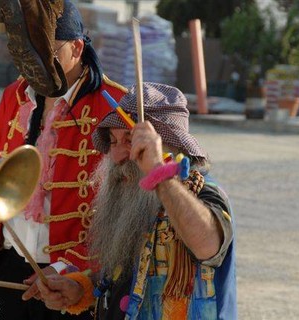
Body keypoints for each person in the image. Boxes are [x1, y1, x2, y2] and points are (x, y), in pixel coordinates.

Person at [37, 82, 237, 319]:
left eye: (130, 140)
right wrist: (82, 289)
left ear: (167, 146)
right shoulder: (133, 200)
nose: (118, 155)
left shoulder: (203, 193)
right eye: (113, 141)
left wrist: (158, 172)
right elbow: (127, 277)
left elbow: (208, 245)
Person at [0, 1, 127, 319]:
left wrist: (76, 272)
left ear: (76, 48)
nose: (34, 67)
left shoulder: (116, 107)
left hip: (75, 278)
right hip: (9, 268)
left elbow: (128, 213)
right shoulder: (15, 96)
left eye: (48, 53)